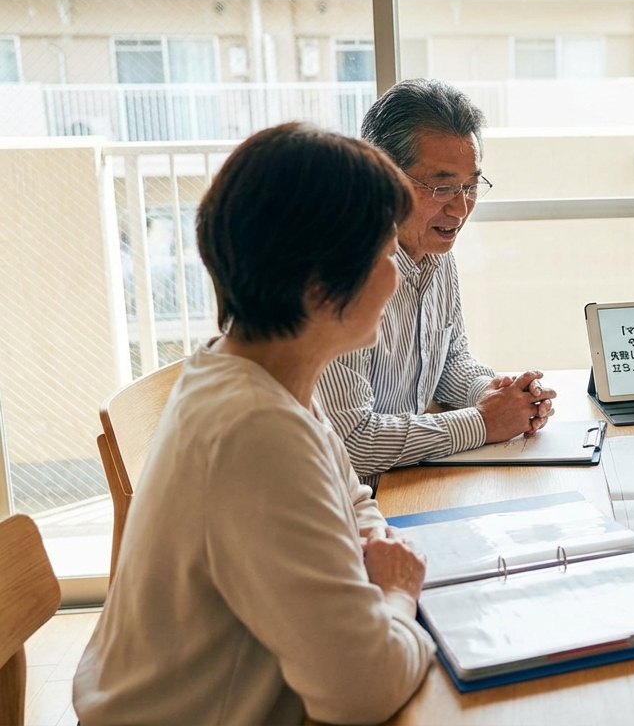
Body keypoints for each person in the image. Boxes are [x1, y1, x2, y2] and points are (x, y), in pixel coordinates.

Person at [74, 123, 434, 724]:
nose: (396, 277)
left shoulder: (256, 369)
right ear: (318, 282)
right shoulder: (257, 431)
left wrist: (375, 552)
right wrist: (397, 592)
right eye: (382, 256)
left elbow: (353, 499)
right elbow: (362, 689)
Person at [319, 79, 556, 488]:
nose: (460, 208)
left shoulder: (434, 248)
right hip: (342, 506)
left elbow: (449, 363)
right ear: (382, 175)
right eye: (442, 187)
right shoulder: (337, 271)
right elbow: (351, 441)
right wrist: (484, 422)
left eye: (471, 186)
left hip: (401, 486)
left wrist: (500, 395)